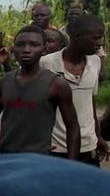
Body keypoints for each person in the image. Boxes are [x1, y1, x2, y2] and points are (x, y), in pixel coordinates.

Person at [0, 26, 80, 158]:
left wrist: (71, 164)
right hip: (4, 153)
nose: (26, 50)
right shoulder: (6, 80)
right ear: (14, 49)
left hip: (37, 157)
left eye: (34, 45)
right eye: (20, 45)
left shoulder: (56, 84)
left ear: (44, 49)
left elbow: (72, 126)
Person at [40, 14, 108, 165]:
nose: (100, 43)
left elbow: (90, 102)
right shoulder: (46, 64)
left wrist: (98, 136)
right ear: (77, 37)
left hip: (87, 147)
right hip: (56, 148)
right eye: (96, 38)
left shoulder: (95, 62)